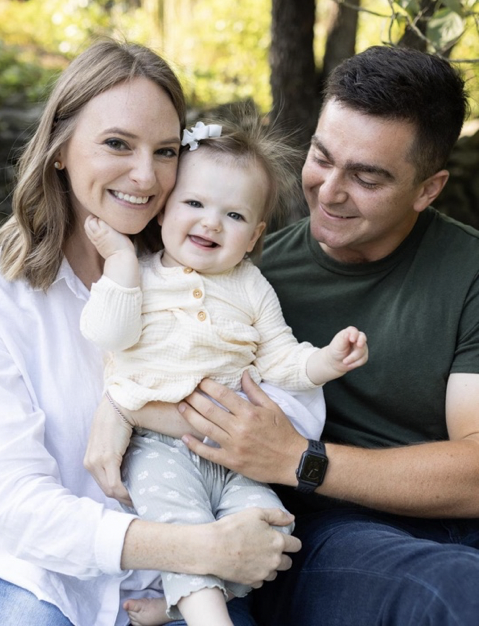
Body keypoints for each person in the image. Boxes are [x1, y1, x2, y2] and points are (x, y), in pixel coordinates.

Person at [84, 45, 478, 625]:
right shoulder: (248, 269)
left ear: (428, 188)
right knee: (456, 587)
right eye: (322, 157)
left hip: (448, 525)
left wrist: (300, 459)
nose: (330, 191)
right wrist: (118, 405)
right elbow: (160, 350)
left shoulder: (469, 271)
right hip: (332, 532)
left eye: (366, 177)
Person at [0, 39, 303, 627]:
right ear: (60, 149)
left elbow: (291, 410)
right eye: (117, 144)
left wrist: (125, 407)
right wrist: (200, 547)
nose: (146, 175)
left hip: (186, 592)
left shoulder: (205, 269)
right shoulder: (0, 295)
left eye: (166, 151)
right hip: (53, 582)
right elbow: (14, 496)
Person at [79, 116, 368, 625]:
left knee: (269, 530)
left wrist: (325, 360)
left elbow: (280, 358)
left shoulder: (252, 286)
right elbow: (109, 334)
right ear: (163, 210)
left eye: (233, 215)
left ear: (254, 235)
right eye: (194, 204)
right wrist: (120, 264)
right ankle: (210, 619)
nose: (211, 223)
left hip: (238, 456)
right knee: (187, 528)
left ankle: (176, 604)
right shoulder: (139, 275)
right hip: (159, 446)